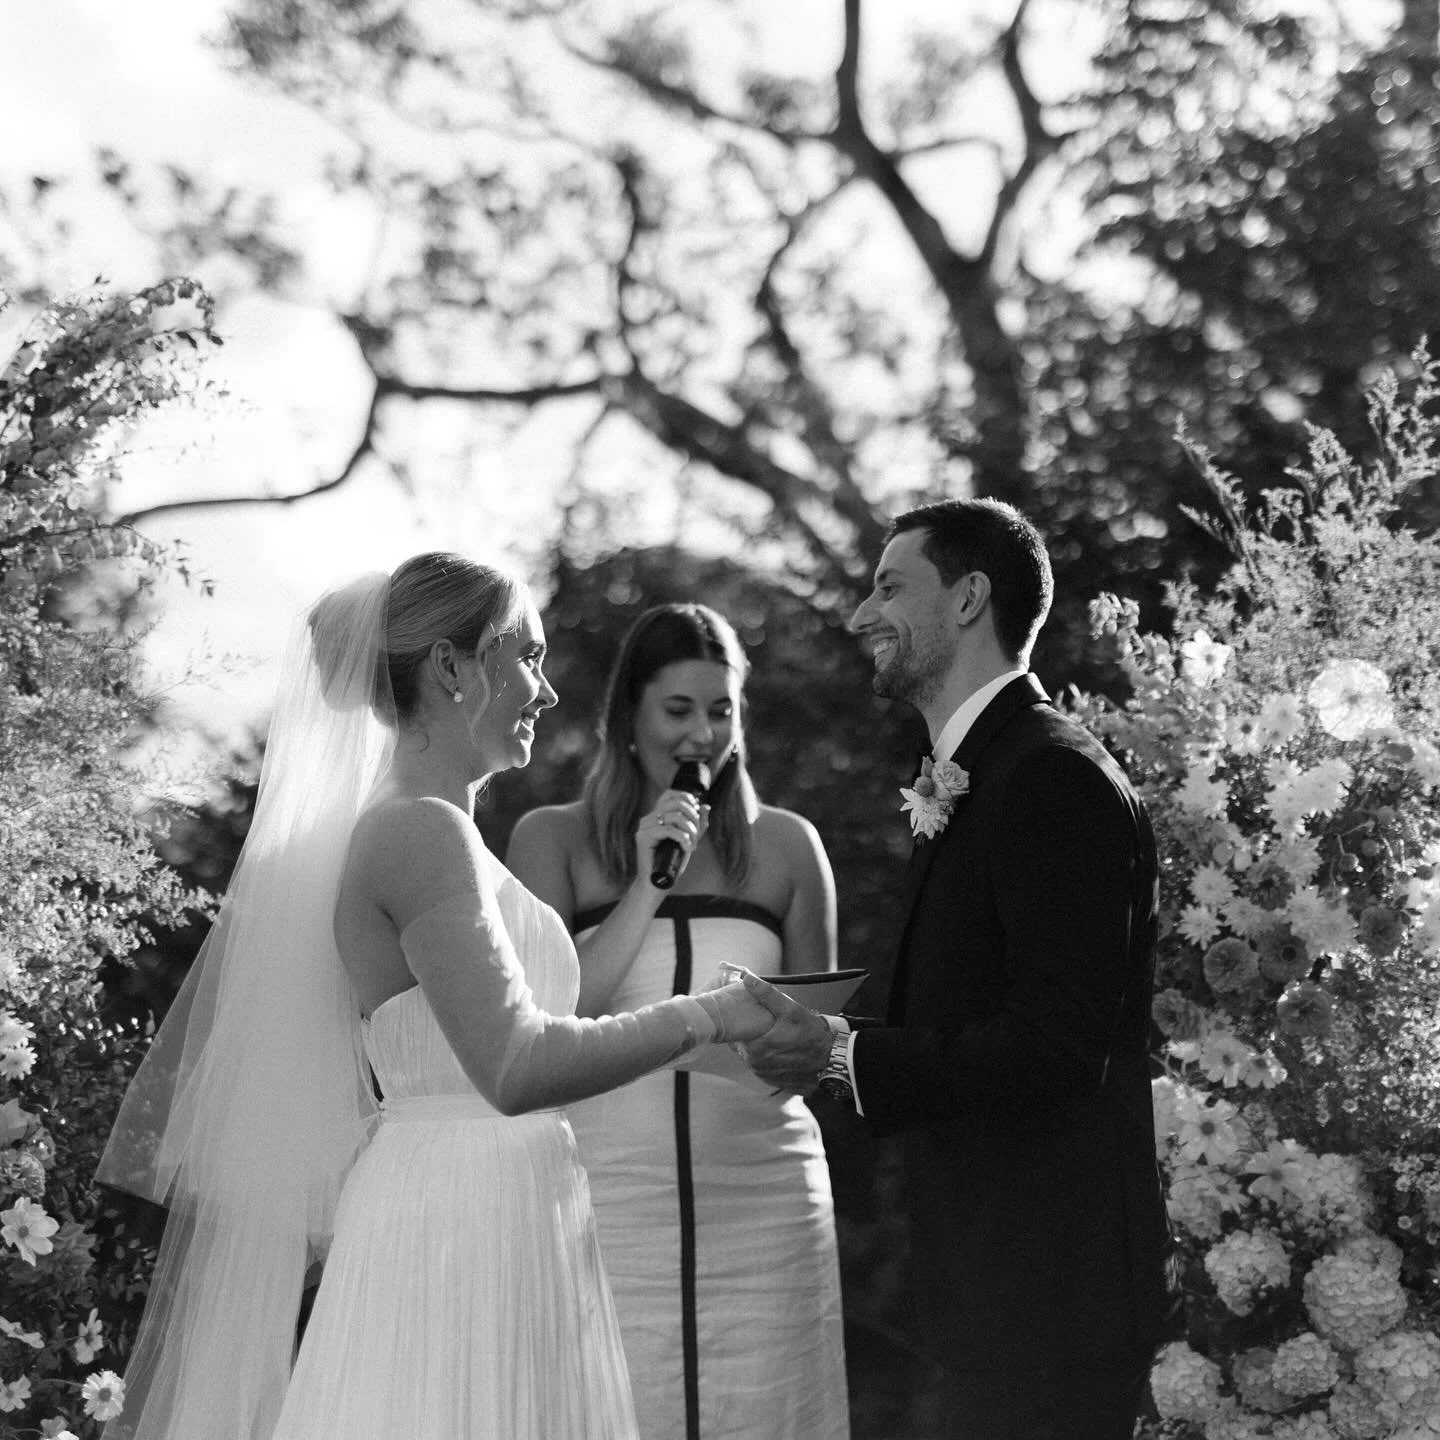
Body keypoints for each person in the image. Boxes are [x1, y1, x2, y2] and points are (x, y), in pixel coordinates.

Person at [96, 555, 777, 1440]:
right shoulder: (419, 831)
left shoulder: (443, 832)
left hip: (503, 1208)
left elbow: (549, 1007)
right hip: (455, 1223)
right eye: (526, 656)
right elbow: (517, 1063)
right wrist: (710, 1015)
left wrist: (648, 891)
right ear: (454, 667)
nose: (547, 692)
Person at [739, 500, 1174, 1440]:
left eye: (891, 586)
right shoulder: (977, 771)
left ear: (971, 596)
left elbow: (1056, 1046)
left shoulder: (1051, 777)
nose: (861, 615)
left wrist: (848, 1058)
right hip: (997, 1285)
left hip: (1054, 1291)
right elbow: (967, 1001)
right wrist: (828, 1041)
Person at [507, 603, 850, 1440]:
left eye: (723, 709)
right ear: (629, 718)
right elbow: (546, 1018)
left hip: (765, 1191)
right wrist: (646, 883)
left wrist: (799, 1047)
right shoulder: (550, 840)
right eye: (680, 709)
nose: (704, 733)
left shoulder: (789, 847)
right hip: (606, 1193)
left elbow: (823, 1034)